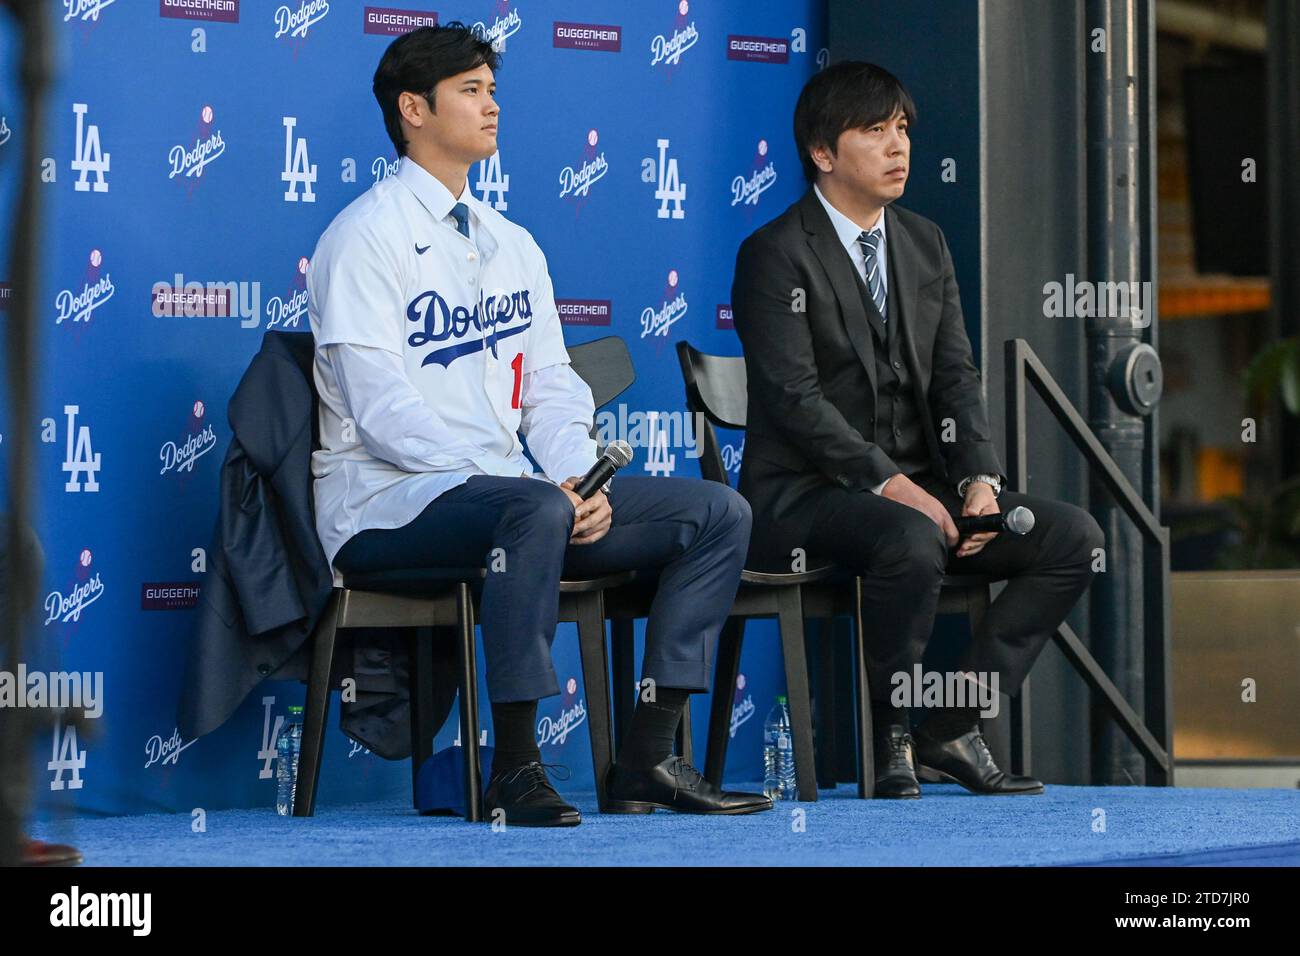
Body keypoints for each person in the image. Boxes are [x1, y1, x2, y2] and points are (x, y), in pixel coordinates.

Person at [307, 23, 771, 826]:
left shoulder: (512, 244)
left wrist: (581, 476)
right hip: (388, 506)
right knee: (534, 510)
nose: (493, 106)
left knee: (715, 513)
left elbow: (551, 389)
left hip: (517, 501)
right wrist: (538, 488)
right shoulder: (362, 238)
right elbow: (385, 416)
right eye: (471, 90)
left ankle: (647, 757)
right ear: (413, 109)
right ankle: (516, 770)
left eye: (493, 88)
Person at [732, 62, 1104, 799]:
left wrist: (976, 482)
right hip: (803, 498)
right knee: (908, 533)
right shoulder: (775, 253)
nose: (898, 146)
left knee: (1073, 539)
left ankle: (951, 725)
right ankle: (890, 734)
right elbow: (795, 399)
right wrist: (898, 487)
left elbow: (955, 377)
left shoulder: (924, 243)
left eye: (902, 128)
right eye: (874, 131)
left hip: (924, 493)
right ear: (823, 153)